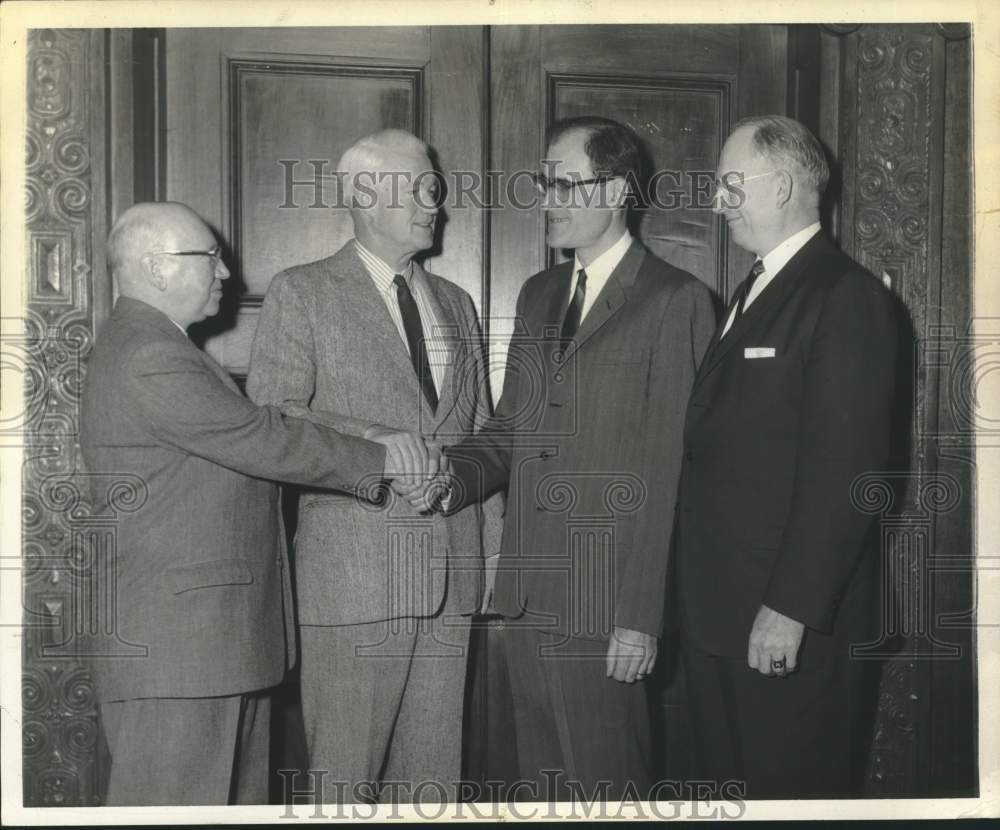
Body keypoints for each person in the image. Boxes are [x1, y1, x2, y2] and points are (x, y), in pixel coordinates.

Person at [79, 201, 425, 806]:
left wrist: (370, 436)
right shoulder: (150, 356)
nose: (225, 274)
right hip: (182, 652)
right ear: (157, 268)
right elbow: (261, 439)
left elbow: (258, 423)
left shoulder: (159, 347)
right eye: (208, 258)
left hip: (208, 647)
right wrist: (384, 460)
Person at [423, 116, 715, 800]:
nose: (547, 198)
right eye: (542, 182)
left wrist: (641, 616)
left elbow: (673, 473)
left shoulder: (677, 302)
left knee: (609, 793)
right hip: (528, 596)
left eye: (564, 183)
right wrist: (449, 477)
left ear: (615, 190)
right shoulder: (539, 295)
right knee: (549, 793)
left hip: (608, 605)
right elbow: (511, 429)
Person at [247, 129, 499, 804]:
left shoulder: (456, 304)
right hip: (354, 583)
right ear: (362, 191)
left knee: (431, 786)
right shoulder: (302, 292)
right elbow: (273, 418)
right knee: (344, 782)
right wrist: (375, 440)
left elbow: (481, 436)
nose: (435, 203)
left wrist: (496, 567)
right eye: (418, 186)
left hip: (453, 577)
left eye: (435, 189)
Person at [675, 115, 898, 798]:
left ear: (786, 186)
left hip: (787, 624)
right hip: (722, 614)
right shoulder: (755, 289)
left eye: (730, 184)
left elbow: (849, 472)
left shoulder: (843, 294)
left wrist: (790, 609)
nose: (716, 202)